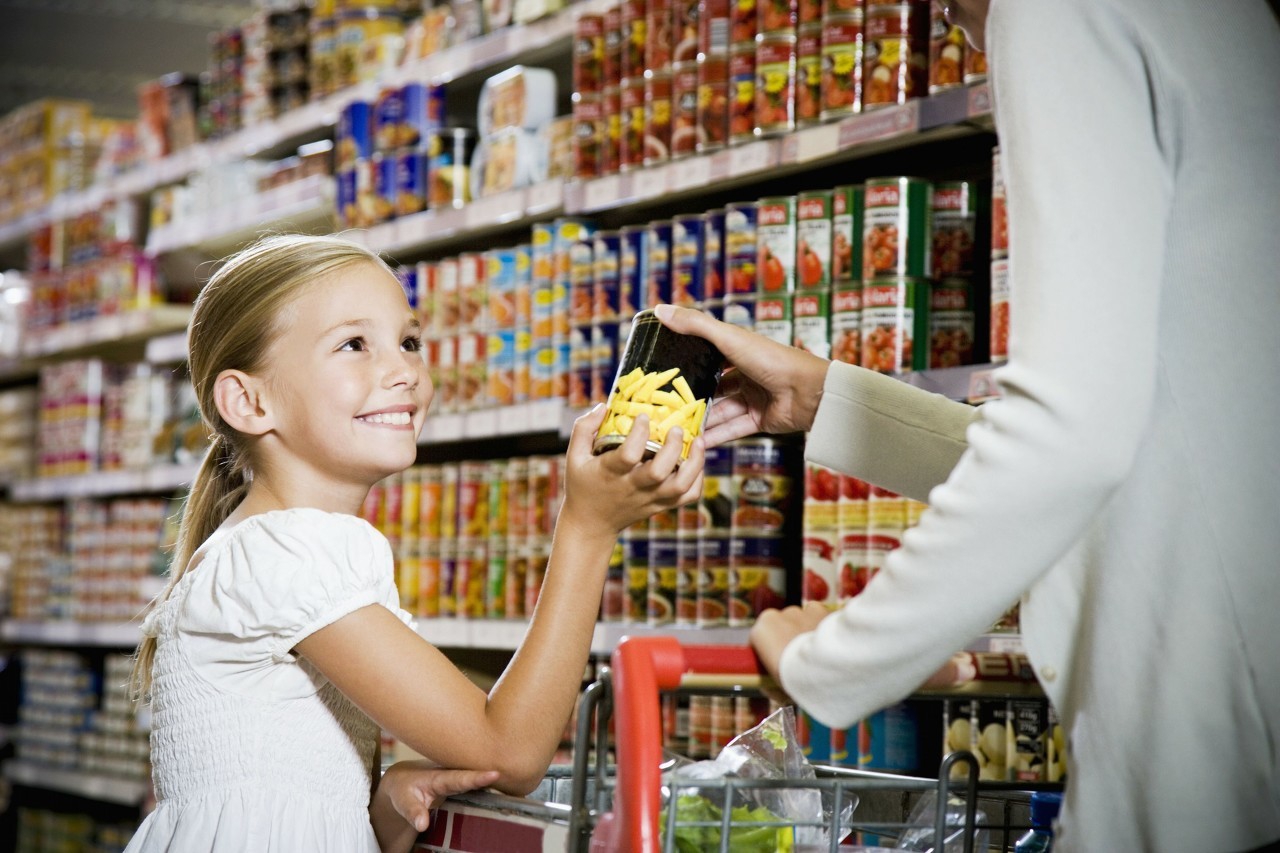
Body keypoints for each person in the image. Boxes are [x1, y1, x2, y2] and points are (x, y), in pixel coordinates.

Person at [656, 0, 1280, 849]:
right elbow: (1135, 427)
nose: (947, 25)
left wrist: (829, 662)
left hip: (1209, 762)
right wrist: (830, 402)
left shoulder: (1054, 14)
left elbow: (1071, 437)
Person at [125, 234, 705, 853]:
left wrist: (382, 801)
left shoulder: (271, 545)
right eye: (353, 345)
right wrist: (588, 529)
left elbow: (278, 795)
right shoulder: (284, 552)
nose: (404, 371)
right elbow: (510, 752)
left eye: (408, 341)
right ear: (248, 400)